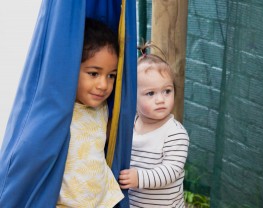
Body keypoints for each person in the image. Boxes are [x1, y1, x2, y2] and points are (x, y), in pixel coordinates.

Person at [56, 18, 124, 207]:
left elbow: (107, 135)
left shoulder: (102, 109)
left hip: (102, 201)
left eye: (111, 76)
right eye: (94, 73)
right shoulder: (60, 112)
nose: (103, 85)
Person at [119, 43, 189, 207]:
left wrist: (139, 178)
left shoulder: (175, 133)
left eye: (167, 91)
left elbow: (171, 171)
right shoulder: (129, 126)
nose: (160, 99)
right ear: (132, 96)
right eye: (150, 93)